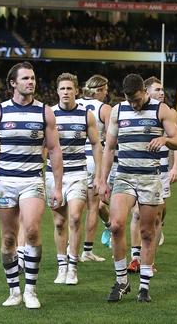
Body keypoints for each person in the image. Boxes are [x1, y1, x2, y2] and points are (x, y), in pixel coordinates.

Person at [0, 62, 63, 309]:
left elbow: (55, 150)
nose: (31, 82)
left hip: (32, 180)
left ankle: (31, 290)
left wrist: (57, 187)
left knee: (32, 230)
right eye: (25, 78)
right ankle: (14, 290)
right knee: (8, 237)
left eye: (33, 78)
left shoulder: (45, 112)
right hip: (5, 181)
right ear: (13, 83)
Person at [98, 73, 177, 303]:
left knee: (147, 232)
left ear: (144, 92)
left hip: (150, 178)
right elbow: (109, 148)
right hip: (124, 176)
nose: (134, 104)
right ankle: (121, 281)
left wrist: (165, 140)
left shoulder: (161, 110)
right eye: (129, 100)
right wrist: (102, 179)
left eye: (136, 99)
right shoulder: (118, 111)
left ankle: (144, 287)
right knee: (116, 225)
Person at [48, 73, 103, 286]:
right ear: (57, 91)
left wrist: (98, 175)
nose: (65, 92)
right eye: (62, 89)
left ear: (76, 91)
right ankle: (62, 267)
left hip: (78, 173)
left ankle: (73, 266)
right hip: (54, 175)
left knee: (75, 218)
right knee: (59, 222)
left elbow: (97, 144)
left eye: (69, 89)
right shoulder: (50, 114)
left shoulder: (86, 115)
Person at [127, 77, 177, 273]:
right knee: (135, 213)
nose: (162, 93)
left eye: (162, 90)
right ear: (146, 92)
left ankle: (150, 258)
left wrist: (176, 166)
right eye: (157, 90)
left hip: (161, 169)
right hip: (137, 170)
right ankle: (136, 258)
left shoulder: (168, 112)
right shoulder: (130, 109)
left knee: (157, 217)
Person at [76, 74, 111, 262]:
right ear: (98, 90)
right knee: (92, 206)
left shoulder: (74, 103)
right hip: (93, 160)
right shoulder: (104, 109)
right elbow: (113, 136)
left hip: (73, 160)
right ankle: (87, 251)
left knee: (73, 209)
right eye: (105, 90)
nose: (106, 93)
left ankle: (69, 248)